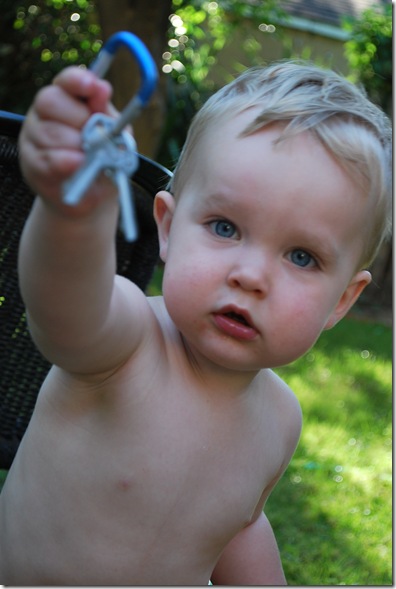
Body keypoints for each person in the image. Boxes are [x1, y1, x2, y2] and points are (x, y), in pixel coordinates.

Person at [0, 60, 391, 585]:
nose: (251, 275)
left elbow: (237, 526)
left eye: (301, 257)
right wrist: (71, 214)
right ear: (168, 227)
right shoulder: (124, 340)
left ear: (342, 301)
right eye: (225, 227)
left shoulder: (279, 418)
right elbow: (62, 303)